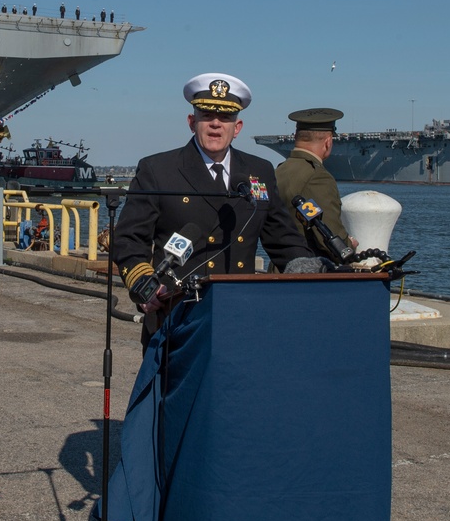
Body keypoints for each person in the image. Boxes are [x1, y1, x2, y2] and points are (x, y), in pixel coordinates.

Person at [113, 73, 313, 351]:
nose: (216, 124)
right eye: (207, 115)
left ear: (238, 126)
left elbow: (281, 236)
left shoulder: (259, 171)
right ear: (192, 122)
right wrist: (143, 283)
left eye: (226, 118)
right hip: (176, 317)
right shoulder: (158, 170)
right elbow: (128, 239)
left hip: (238, 316)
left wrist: (307, 268)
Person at [274, 108, 357, 261]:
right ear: (328, 141)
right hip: (312, 273)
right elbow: (329, 234)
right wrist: (349, 246)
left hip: (280, 269)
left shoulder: (278, 171)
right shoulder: (318, 177)